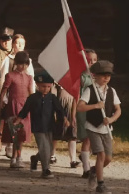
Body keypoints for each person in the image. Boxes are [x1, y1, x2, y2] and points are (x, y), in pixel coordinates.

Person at [76, 60, 122, 193]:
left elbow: (118, 110)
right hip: (92, 127)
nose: (106, 78)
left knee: (108, 158)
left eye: (108, 75)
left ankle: (94, 171)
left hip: (106, 128)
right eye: (103, 75)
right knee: (101, 154)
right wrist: (95, 106)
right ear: (95, 75)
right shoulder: (90, 90)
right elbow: (80, 107)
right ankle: (100, 185)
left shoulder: (112, 91)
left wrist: (111, 119)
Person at [14, 71, 68, 179]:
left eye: (48, 87)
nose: (46, 89)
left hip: (50, 126)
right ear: (37, 85)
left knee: (49, 147)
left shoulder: (52, 98)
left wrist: (65, 118)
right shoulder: (33, 98)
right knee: (44, 147)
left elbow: (59, 110)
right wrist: (18, 120)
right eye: (43, 86)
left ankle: (35, 158)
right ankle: (45, 169)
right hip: (38, 126)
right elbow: (25, 110)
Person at [0, 34, 35, 157]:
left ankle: (18, 155)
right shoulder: (10, 72)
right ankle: (11, 153)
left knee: (22, 132)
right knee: (12, 128)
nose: (22, 66)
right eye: (20, 64)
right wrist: (1, 100)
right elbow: (4, 86)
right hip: (13, 103)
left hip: (25, 105)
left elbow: (31, 90)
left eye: (25, 64)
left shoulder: (29, 76)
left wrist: (33, 103)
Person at [78, 48, 98, 177]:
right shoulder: (80, 77)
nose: (91, 62)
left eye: (94, 60)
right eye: (88, 60)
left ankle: (84, 157)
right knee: (87, 138)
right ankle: (86, 169)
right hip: (83, 110)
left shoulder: (99, 76)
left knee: (92, 139)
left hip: (96, 110)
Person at [51, 84, 80, 168]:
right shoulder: (55, 85)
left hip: (70, 106)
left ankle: (73, 160)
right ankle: (52, 155)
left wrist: (73, 115)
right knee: (55, 133)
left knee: (72, 133)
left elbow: (76, 98)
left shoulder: (74, 83)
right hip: (58, 107)